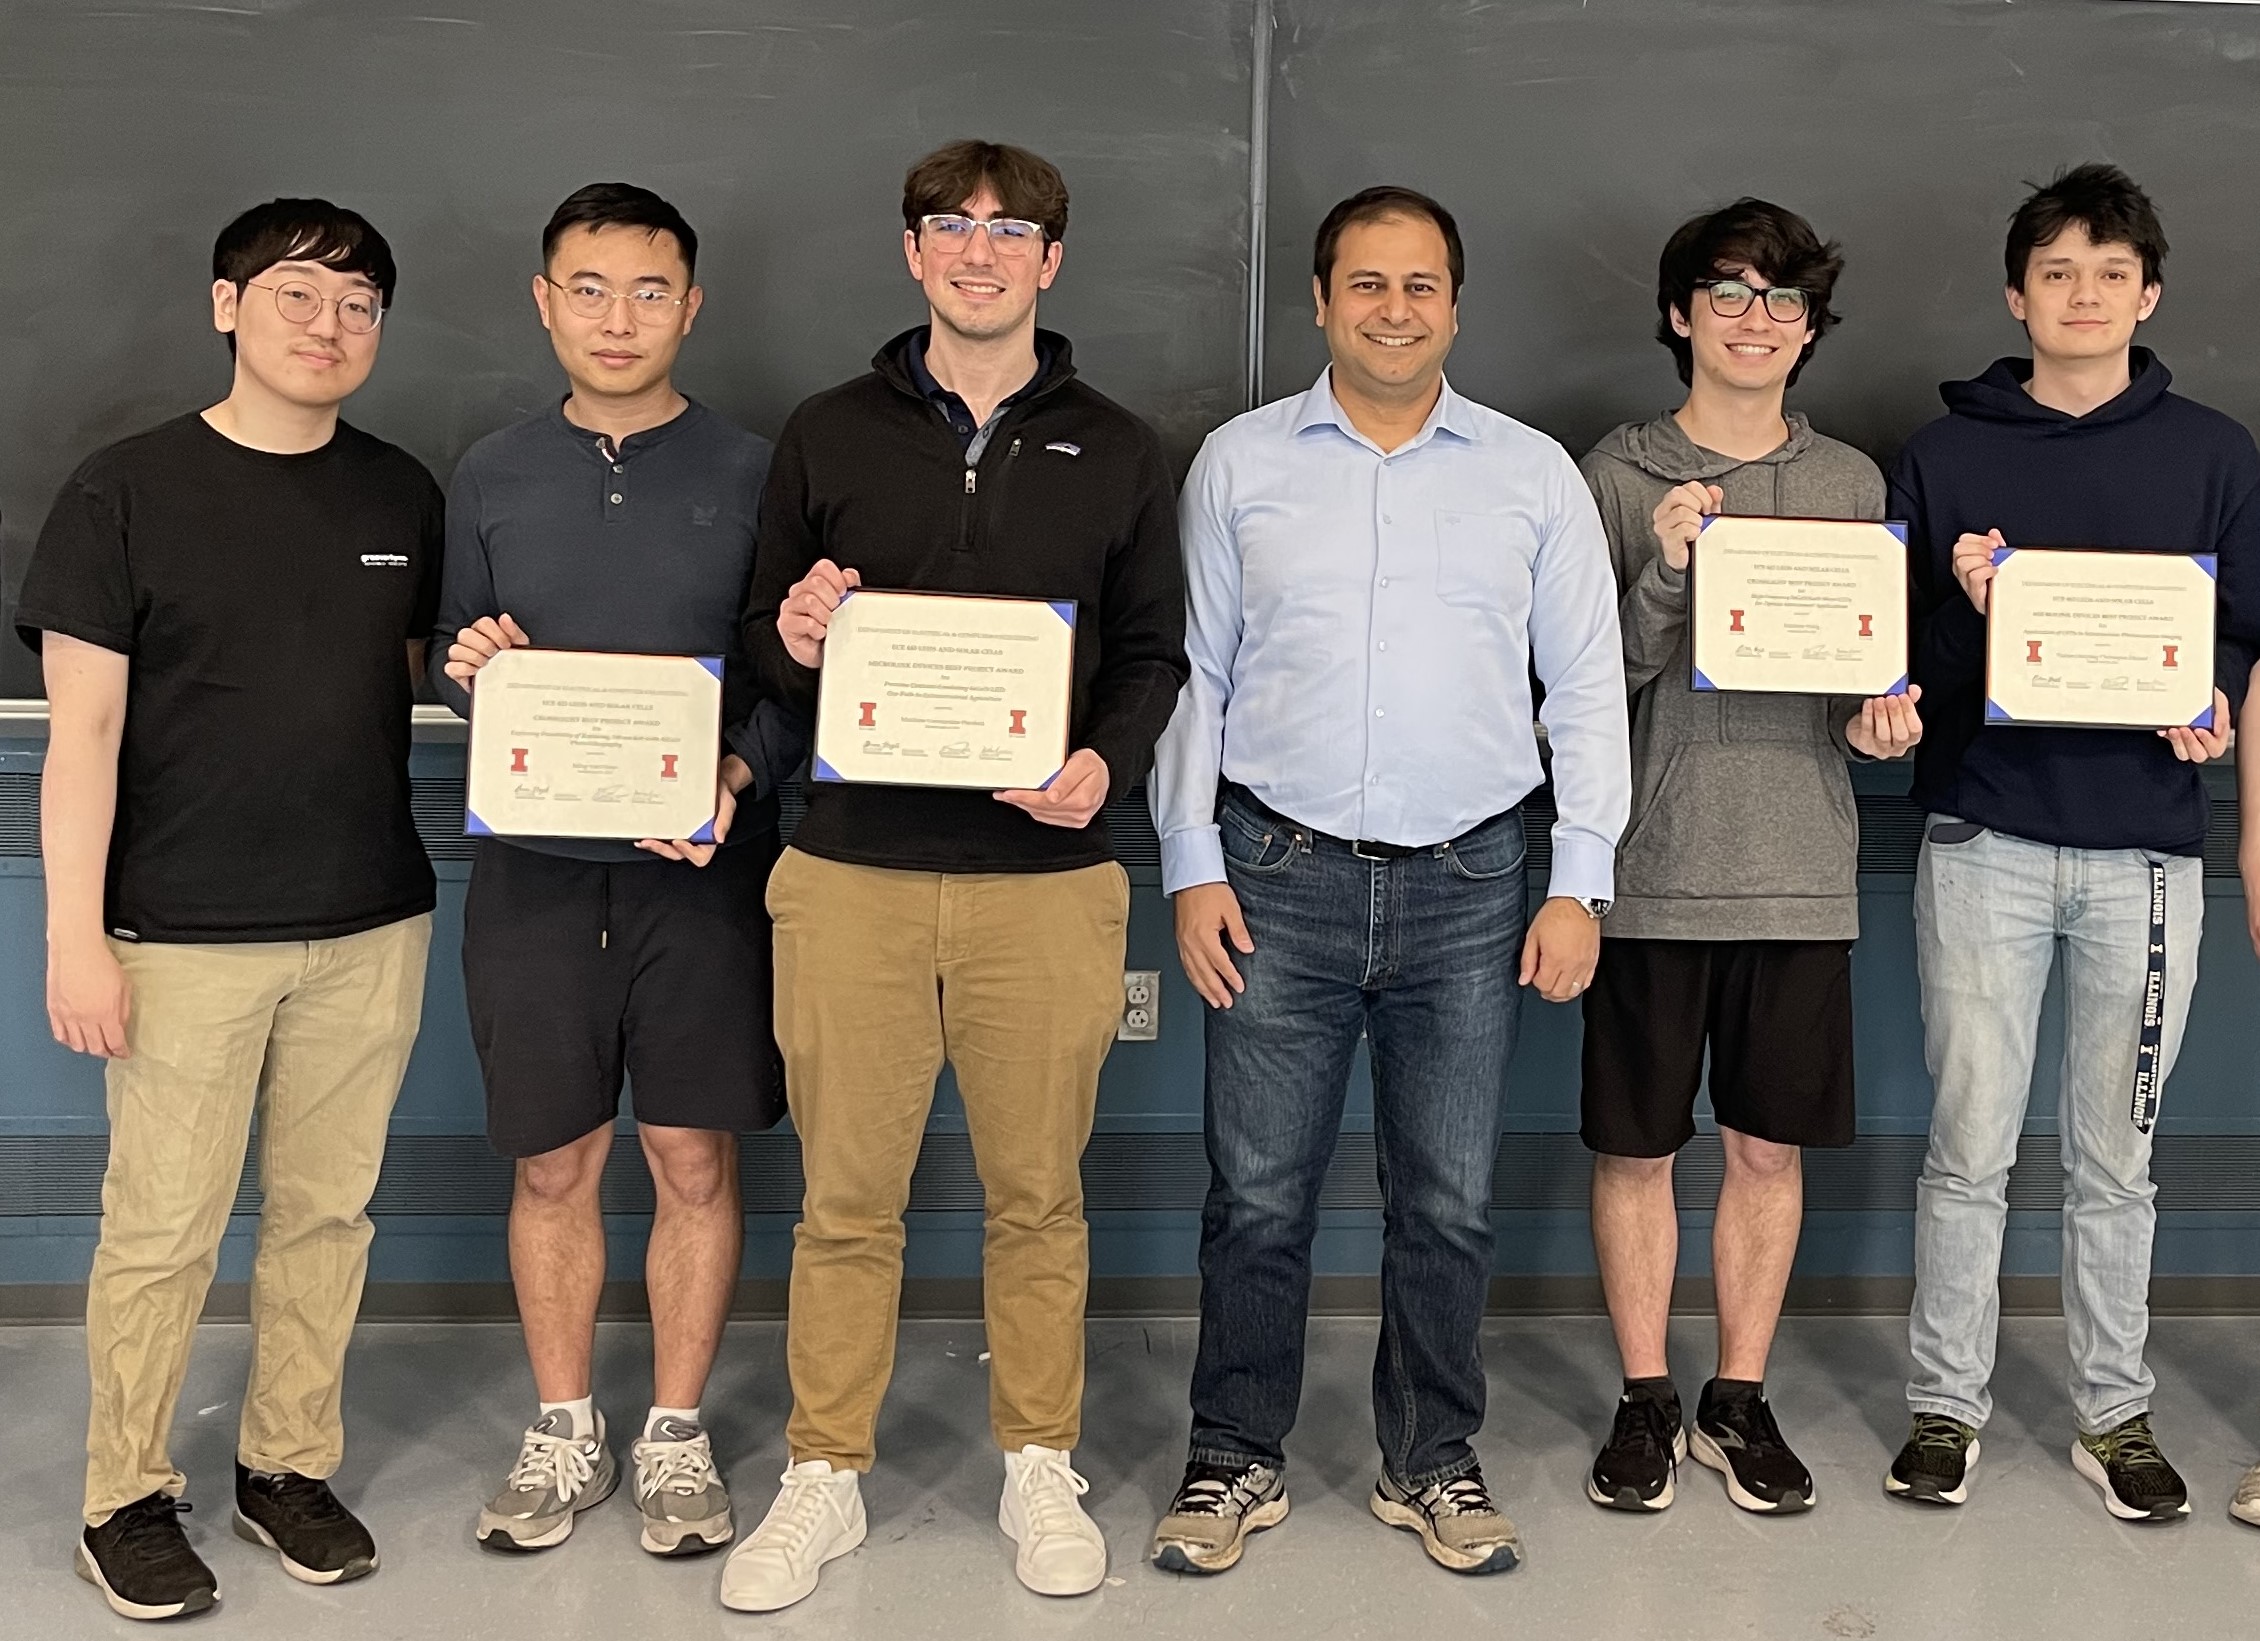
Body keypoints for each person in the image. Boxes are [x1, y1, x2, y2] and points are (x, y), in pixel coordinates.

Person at [718, 139, 1187, 1612]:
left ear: (1053, 260)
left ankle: (1039, 1457)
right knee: (847, 1196)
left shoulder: (1118, 443)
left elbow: (1157, 650)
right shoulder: (825, 430)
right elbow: (761, 642)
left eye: (1011, 229)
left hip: (1045, 883)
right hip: (849, 871)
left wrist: (1105, 763)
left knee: (1037, 1192)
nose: (979, 250)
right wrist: (793, 632)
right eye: (949, 226)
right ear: (912, 253)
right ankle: (825, 1471)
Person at [1145, 185, 1630, 1579]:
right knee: (1256, 1195)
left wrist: (1577, 881)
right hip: (1272, 871)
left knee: (1449, 1198)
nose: (1395, 309)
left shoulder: (1531, 474)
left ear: (1456, 306)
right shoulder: (1238, 466)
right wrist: (1189, 862)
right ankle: (1236, 1455)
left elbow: (1587, 688)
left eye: (1421, 285)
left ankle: (1431, 1460)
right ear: (1320, 301)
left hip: (1480, 879)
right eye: (1367, 283)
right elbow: (1199, 678)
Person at [20, 199, 440, 1621]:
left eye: (362, 307)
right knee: (163, 1228)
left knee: (328, 1215)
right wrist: (73, 936)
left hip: (371, 920)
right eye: (301, 298)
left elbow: (433, 675)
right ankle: (124, 1496)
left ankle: (286, 1465)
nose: (332, 329)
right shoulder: (121, 490)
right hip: (181, 932)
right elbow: (77, 737)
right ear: (226, 305)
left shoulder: (402, 494)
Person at [1889, 163, 2260, 1522]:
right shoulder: (1948, 456)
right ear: (2016, 294)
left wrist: (2210, 700)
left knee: (2118, 1156)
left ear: (2148, 294)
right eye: (2058, 271)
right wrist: (1966, 599)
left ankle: (2114, 1409)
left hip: (2151, 854)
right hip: (1986, 835)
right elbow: (1905, 670)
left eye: (2111, 272)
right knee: (1968, 1139)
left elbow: (2239, 640)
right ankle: (1946, 1402)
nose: (2085, 294)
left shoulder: (2217, 454)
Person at [433, 184, 797, 1561]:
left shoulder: (763, 470)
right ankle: (565, 1423)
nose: (618, 318)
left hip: (701, 874)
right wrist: (470, 677)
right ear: (544, 301)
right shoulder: (489, 472)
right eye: (588, 288)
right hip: (534, 873)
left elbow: (791, 680)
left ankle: (678, 1435)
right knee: (552, 1164)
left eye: (650, 292)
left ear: (692, 307)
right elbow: (470, 668)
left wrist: (737, 775)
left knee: (692, 1155)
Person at [1577, 200, 1922, 1517]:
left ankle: (1739, 1394)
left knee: (1768, 1151)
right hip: (1652, 867)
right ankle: (1645, 1395)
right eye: (1728, 294)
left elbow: (1851, 687)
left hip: (1796, 867)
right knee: (1638, 1149)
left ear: (1812, 327)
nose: (1757, 321)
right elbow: (1589, 685)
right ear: (1680, 314)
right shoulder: (1614, 472)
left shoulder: (1850, 486)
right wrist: (1665, 565)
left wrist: (1879, 724)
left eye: (1784, 301)